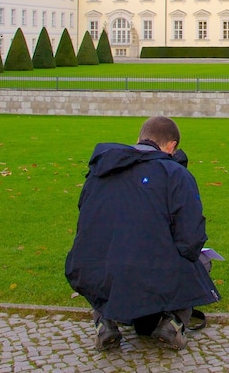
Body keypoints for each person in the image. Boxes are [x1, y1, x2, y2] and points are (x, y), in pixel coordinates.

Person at [65, 116, 220, 351]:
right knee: (200, 260)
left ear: (138, 139)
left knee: (103, 260)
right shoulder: (175, 174)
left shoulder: (100, 170)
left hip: (98, 264)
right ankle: (173, 323)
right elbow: (191, 238)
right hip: (148, 268)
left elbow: (85, 220)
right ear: (172, 146)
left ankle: (104, 320)